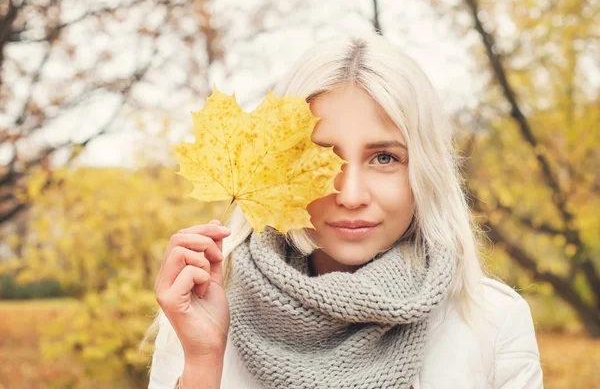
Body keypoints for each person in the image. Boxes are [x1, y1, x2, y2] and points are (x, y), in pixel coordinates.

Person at [144, 32, 544, 389]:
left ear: (425, 170)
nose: (351, 195)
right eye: (321, 158)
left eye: (384, 158)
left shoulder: (489, 323)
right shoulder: (201, 313)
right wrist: (203, 363)